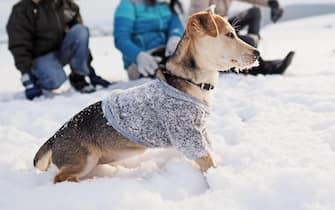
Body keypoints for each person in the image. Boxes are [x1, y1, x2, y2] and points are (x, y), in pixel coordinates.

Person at [7, 0, 111, 100]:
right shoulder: (22, 9)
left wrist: (89, 70)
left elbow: (80, 42)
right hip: (40, 58)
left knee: (80, 30)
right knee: (56, 80)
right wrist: (27, 75)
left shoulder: (67, 6)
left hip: (61, 52)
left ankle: (78, 77)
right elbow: (19, 44)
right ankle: (37, 78)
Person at [189, 0, 295, 75]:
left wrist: (271, 2)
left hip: (226, 27)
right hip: (213, 36)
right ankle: (259, 66)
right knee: (249, 41)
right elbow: (199, 23)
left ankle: (252, 57)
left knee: (255, 12)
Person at [113, 0, 184, 80]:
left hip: (167, 54)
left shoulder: (168, 4)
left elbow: (176, 26)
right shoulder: (128, 5)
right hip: (141, 63)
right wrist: (138, 55)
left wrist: (175, 37)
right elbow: (121, 39)